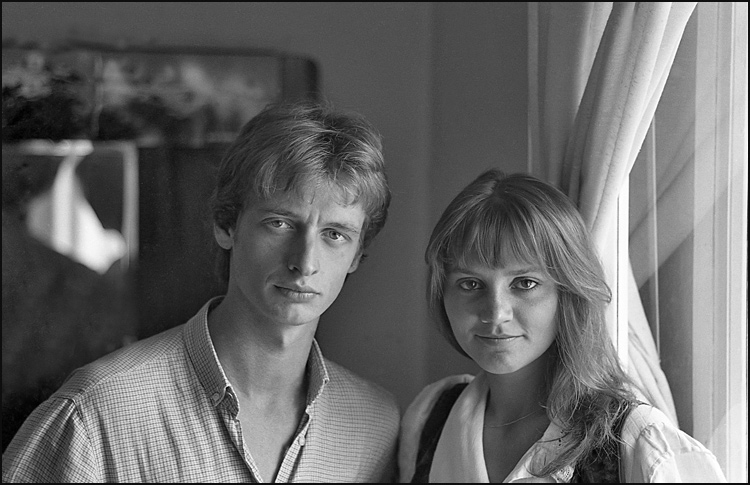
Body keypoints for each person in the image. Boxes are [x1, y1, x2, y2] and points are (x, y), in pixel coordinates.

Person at [2, 100, 400, 482]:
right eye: (280, 223)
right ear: (226, 226)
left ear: (357, 255)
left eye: (335, 234)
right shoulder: (94, 414)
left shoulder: (375, 426)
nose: (305, 262)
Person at [398, 169, 727, 483]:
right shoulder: (432, 416)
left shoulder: (639, 445)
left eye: (525, 283)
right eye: (470, 284)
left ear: (568, 293)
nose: (496, 314)